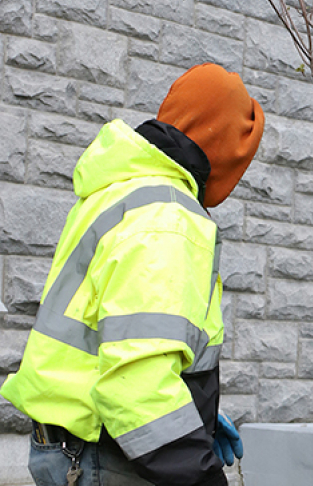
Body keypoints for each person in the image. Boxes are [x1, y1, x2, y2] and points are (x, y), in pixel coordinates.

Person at [1, 63, 265, 486]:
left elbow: (112, 335)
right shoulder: (169, 217)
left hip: (71, 441)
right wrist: (196, 468)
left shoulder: (122, 189)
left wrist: (197, 414)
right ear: (226, 146)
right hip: (107, 456)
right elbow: (137, 385)